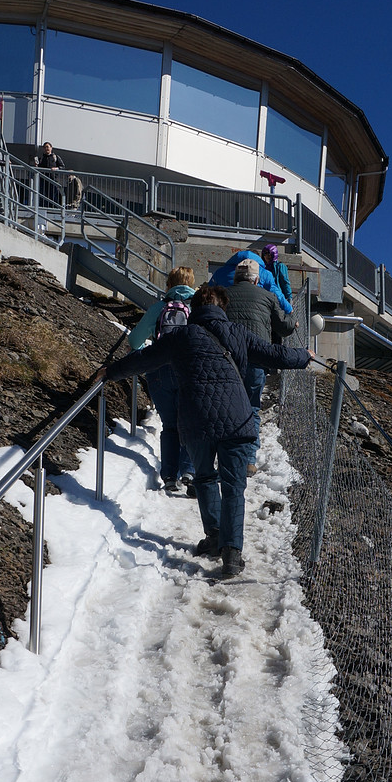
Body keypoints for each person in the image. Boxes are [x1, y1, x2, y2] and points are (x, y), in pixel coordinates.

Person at [102, 285, 310, 579]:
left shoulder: (180, 337)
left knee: (204, 477)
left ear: (196, 308)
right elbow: (273, 353)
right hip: (237, 418)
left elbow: (142, 360)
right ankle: (232, 554)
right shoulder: (238, 333)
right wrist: (304, 356)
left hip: (196, 418)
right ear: (222, 307)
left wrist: (110, 372)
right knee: (234, 485)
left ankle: (214, 537)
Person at [224, 257, 296, 468]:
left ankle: (227, 456)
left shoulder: (223, 296)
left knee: (227, 406)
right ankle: (248, 460)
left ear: (235, 278)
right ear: (256, 280)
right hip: (256, 360)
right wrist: (294, 321)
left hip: (228, 360)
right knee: (252, 409)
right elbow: (284, 326)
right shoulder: (267, 296)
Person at [129, 266, 196, 492]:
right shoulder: (197, 308)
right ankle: (188, 471)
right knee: (188, 422)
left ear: (169, 284)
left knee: (169, 425)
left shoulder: (159, 308)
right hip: (188, 370)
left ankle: (169, 476)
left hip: (160, 370)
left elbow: (135, 340)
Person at [208, 248, 292, 315]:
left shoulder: (220, 272)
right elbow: (276, 294)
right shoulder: (265, 273)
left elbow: (208, 291)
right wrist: (289, 309)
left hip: (226, 314)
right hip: (255, 313)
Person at [261, 242, 293, 308]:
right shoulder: (264, 268)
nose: (267, 256)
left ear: (273, 254)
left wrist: (289, 298)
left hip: (278, 299)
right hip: (266, 298)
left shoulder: (280, 266)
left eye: (268, 253)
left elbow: (285, 283)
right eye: (265, 254)